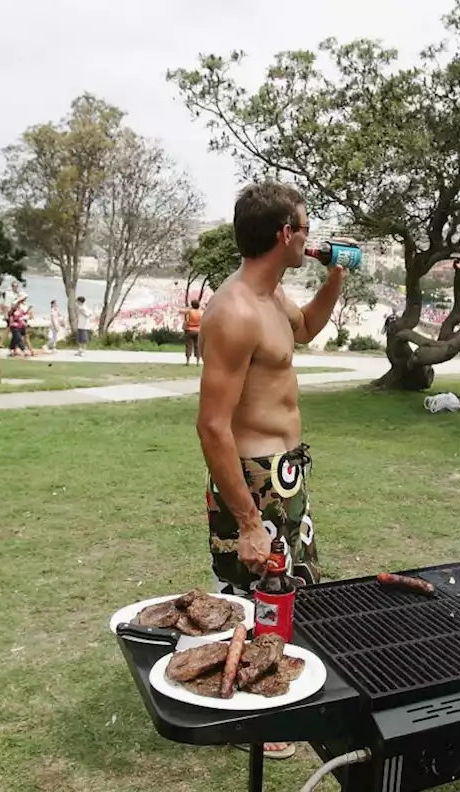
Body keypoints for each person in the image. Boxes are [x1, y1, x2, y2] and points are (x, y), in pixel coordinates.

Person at [195, 182, 344, 760]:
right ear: (285, 234)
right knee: (249, 588)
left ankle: (266, 689)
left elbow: (304, 328)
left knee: (284, 590)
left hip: (286, 471)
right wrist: (248, 519)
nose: (310, 238)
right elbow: (212, 426)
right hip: (252, 475)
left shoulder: (274, 298)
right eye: (305, 228)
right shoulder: (233, 310)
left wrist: (335, 277)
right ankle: (244, 711)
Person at [181, 298, 203, 365]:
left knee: (188, 345)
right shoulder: (201, 312)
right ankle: (197, 362)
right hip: (198, 330)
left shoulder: (190, 311)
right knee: (197, 346)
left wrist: (189, 308)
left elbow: (181, 311)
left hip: (190, 329)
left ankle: (187, 361)